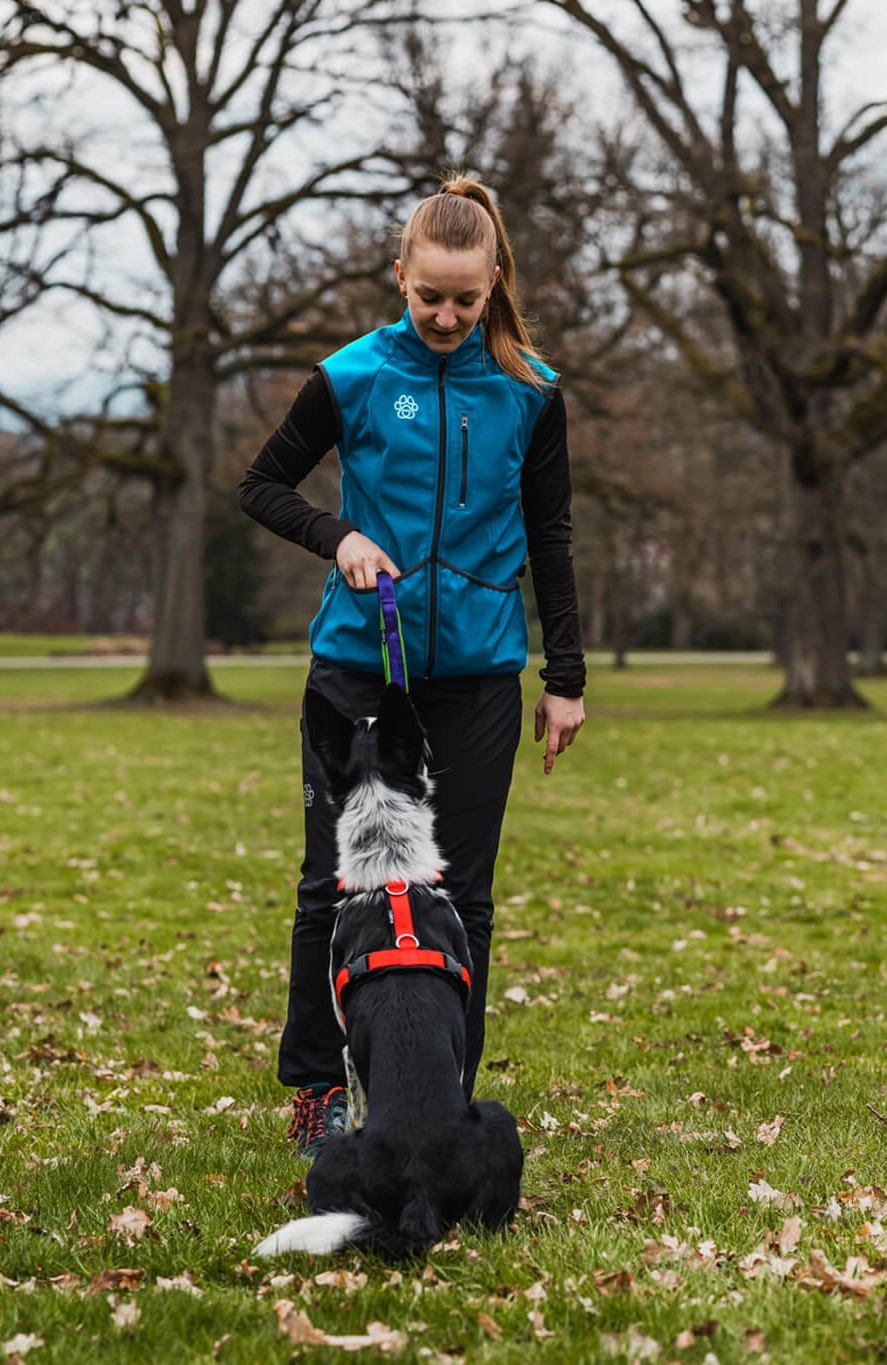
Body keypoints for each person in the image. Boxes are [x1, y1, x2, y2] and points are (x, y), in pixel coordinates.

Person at [239, 175, 586, 1159]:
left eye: (464, 300)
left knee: (460, 899)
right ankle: (317, 1089)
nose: (444, 315)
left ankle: (440, 1099)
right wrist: (337, 532)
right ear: (400, 276)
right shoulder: (349, 377)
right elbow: (260, 486)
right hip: (358, 667)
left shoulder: (529, 392)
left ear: (491, 285)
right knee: (336, 887)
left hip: (477, 673)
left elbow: (550, 537)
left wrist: (567, 678)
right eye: (427, 295)